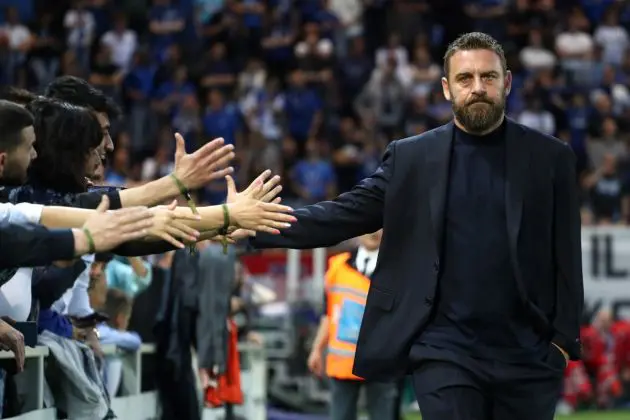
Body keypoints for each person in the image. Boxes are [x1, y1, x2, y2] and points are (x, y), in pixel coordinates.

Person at [245, 32, 583, 420]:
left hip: (528, 354)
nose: (477, 88)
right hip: (444, 351)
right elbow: (344, 214)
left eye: (488, 77)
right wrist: (258, 224)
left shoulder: (550, 158)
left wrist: (560, 342)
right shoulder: (412, 158)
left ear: (506, 82)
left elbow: (566, 255)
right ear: (446, 88)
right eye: (465, 78)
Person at [308, 230, 398, 420]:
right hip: (342, 363)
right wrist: (317, 348)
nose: (374, 232)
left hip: (382, 361)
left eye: (379, 226)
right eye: (369, 226)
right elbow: (329, 313)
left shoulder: (398, 269)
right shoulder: (337, 266)